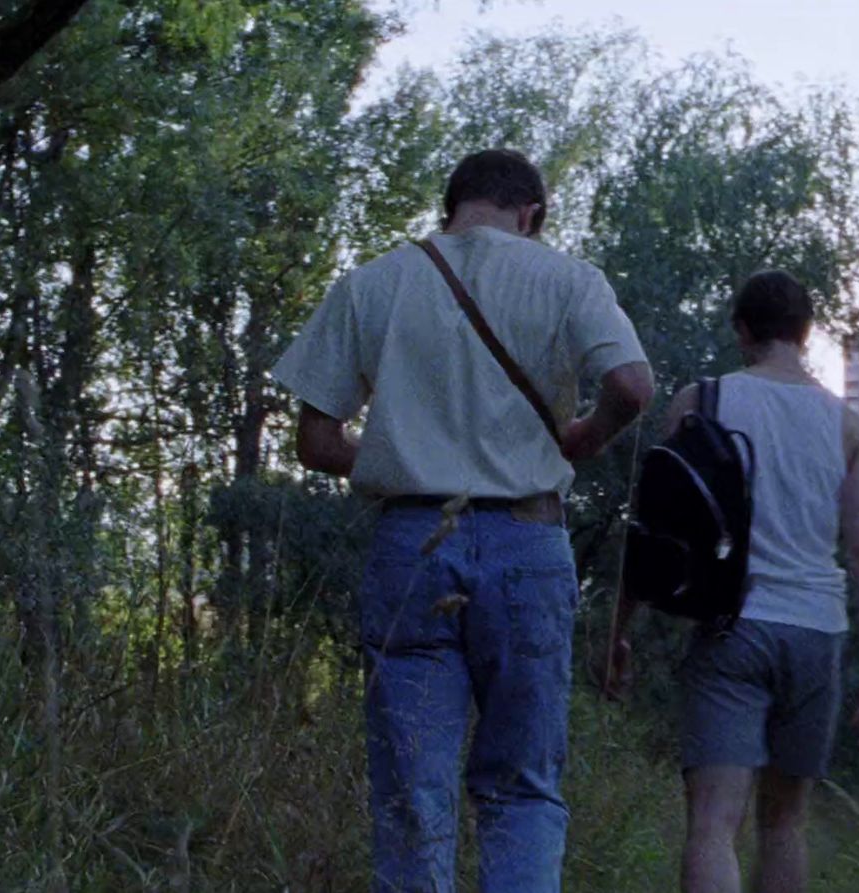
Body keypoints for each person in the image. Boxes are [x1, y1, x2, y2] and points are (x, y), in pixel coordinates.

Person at [273, 148, 653, 893]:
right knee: (521, 785)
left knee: (414, 792)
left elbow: (315, 442)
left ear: (449, 207)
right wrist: (587, 434)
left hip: (412, 547)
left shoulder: (373, 282)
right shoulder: (569, 279)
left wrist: (405, 459)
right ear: (531, 214)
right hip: (528, 542)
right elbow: (633, 386)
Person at [606, 270, 859, 893]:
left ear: (743, 330)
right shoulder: (851, 428)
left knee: (714, 825)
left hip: (730, 629)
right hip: (817, 633)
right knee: (785, 824)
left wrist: (619, 632)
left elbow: (654, 533)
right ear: (806, 332)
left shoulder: (702, 401)